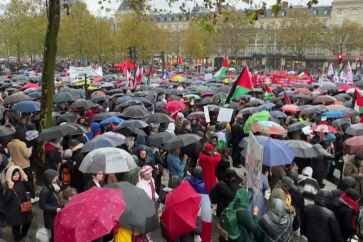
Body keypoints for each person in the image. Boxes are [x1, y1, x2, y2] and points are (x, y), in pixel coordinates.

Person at [7, 130, 39, 203]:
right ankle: (33, 197)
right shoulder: (22, 144)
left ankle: (26, 193)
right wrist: (30, 150)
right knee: (29, 181)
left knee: (21, 182)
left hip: (16, 165)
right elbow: (27, 155)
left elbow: (9, 154)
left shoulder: (9, 144)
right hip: (25, 165)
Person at [2, 166, 32, 242]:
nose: (17, 176)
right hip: (14, 210)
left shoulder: (21, 182)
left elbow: (29, 188)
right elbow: (5, 199)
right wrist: (10, 189)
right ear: (10, 175)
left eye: (18, 174)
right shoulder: (6, 185)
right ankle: (17, 239)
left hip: (24, 206)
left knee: (28, 221)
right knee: (16, 225)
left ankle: (24, 235)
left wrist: (26, 180)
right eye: (15, 175)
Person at [136, 165, 158, 242]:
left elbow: (153, 190)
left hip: (152, 205)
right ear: (143, 175)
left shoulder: (152, 180)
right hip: (144, 208)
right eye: (147, 174)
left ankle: (148, 237)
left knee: (150, 223)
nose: (149, 175)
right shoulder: (140, 185)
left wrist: (155, 196)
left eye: (150, 173)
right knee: (145, 225)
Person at [39, 169, 62, 242]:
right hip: (51, 216)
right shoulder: (44, 191)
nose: (57, 178)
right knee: (54, 233)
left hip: (57, 213)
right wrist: (55, 209)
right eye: (55, 177)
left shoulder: (54, 185)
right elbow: (42, 205)